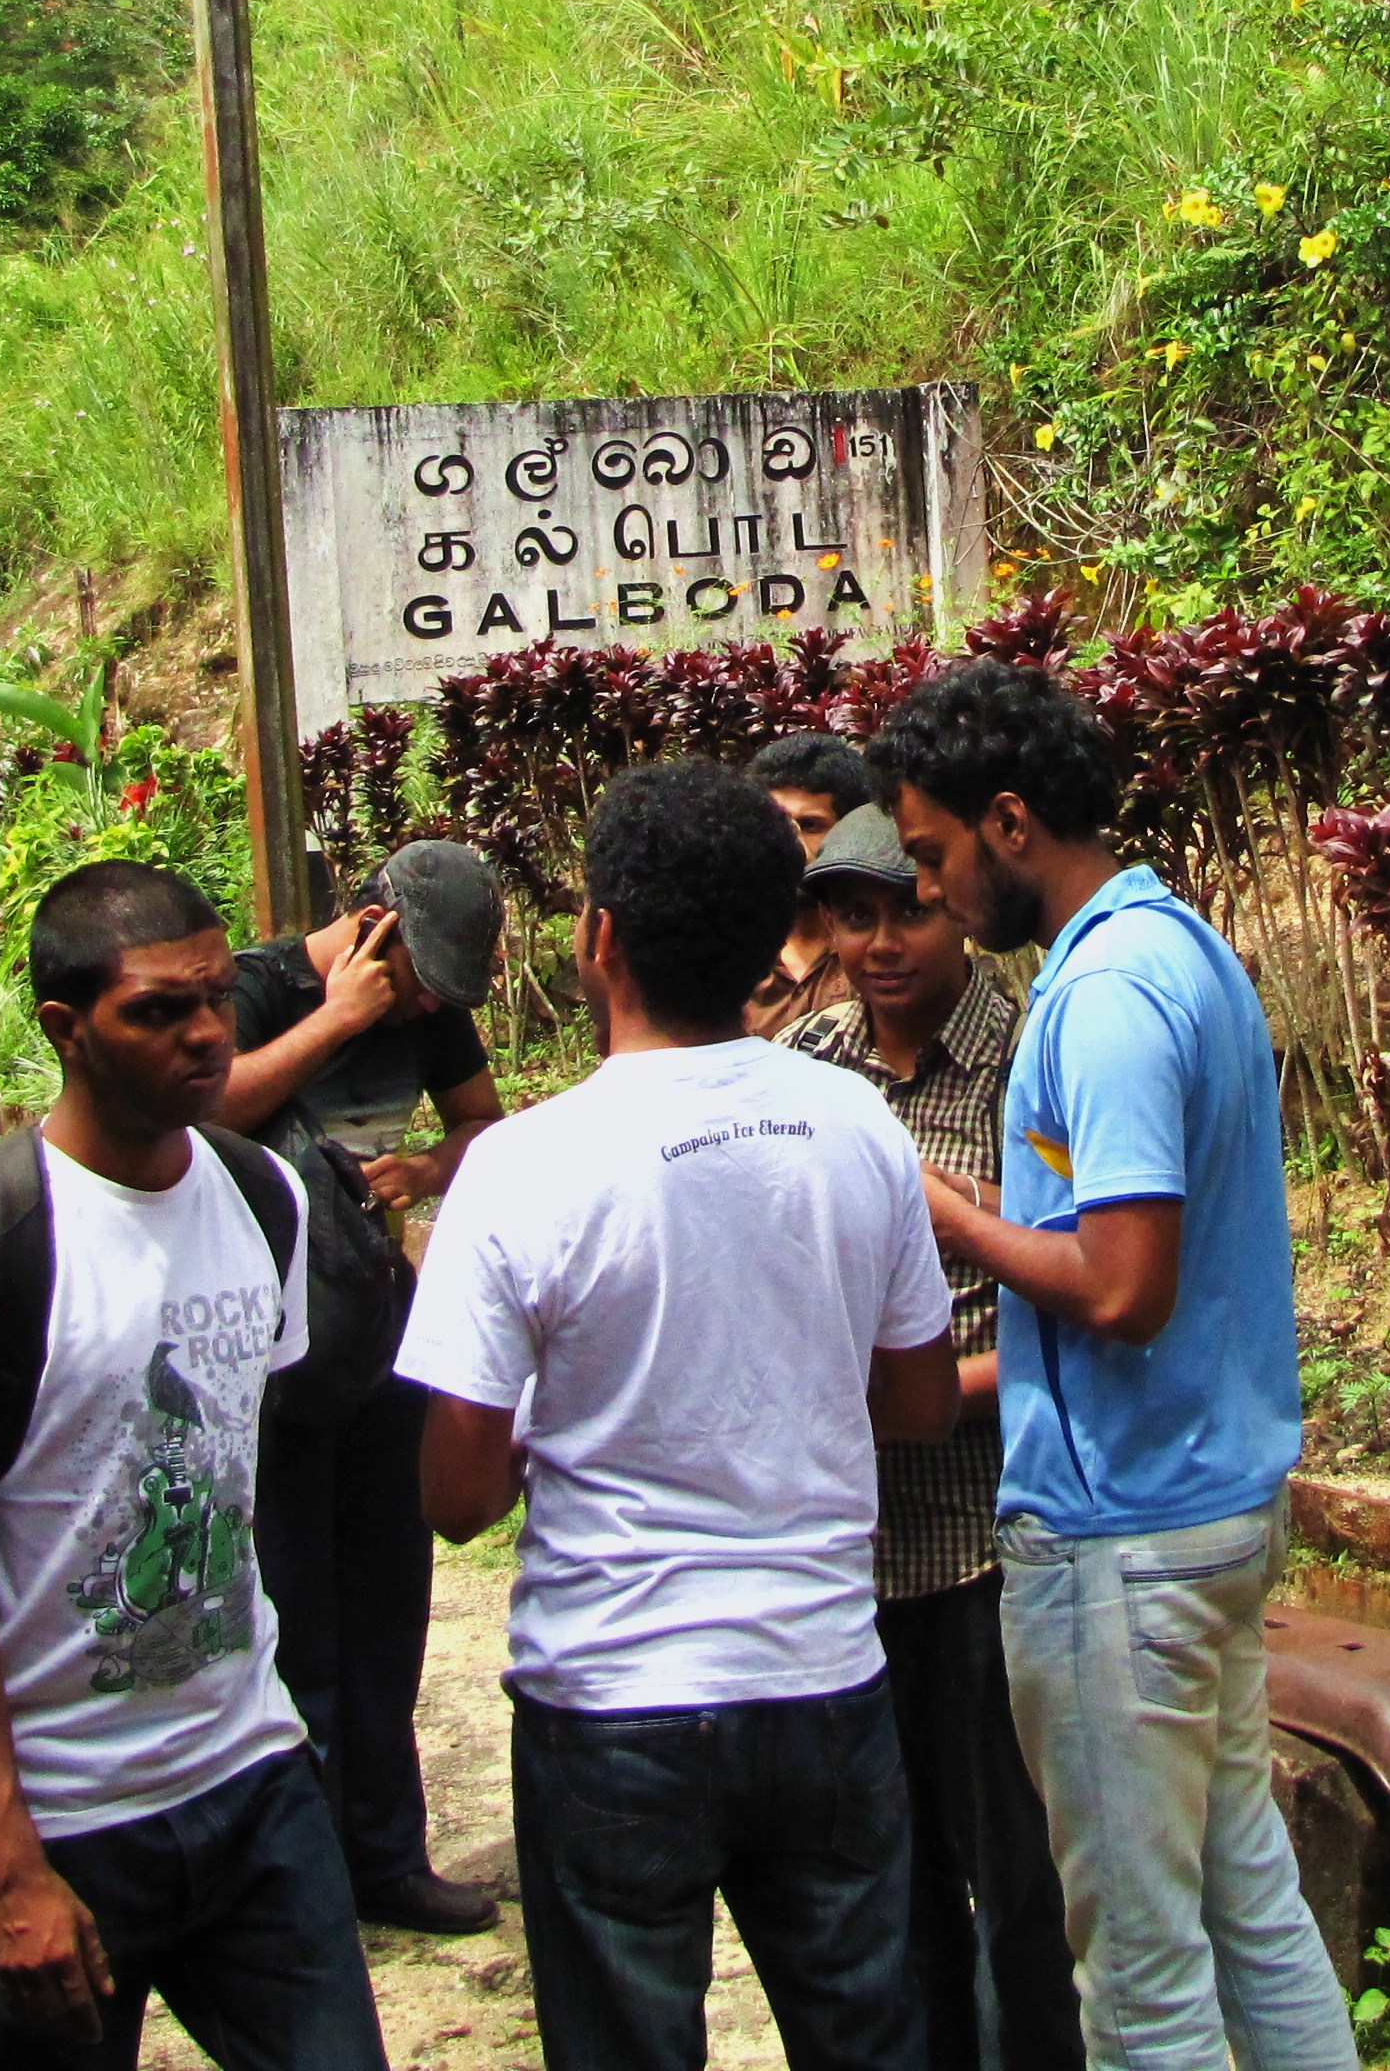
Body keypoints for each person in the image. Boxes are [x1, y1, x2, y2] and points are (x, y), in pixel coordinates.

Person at [397, 761, 960, 2071]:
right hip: (823, 1675)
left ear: (601, 940)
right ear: (776, 936)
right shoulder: (858, 1126)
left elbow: (458, 1500)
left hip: (612, 1698)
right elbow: (922, 1401)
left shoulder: (519, 1169)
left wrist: (559, 1412)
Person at [871, 661, 1356, 2071]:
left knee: (1141, 1975)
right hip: (1207, 1507)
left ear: (1010, 822)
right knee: (1246, 1898)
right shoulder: (1174, 945)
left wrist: (946, 1210)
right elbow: (1115, 1231)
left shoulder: (1105, 998)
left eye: (933, 855)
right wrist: (992, 1208)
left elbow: (1128, 1288)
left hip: (1123, 1535)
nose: (930, 889)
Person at [0, 859, 387, 2071]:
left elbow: (239, 1466)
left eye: (215, 997)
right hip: (57, 1815)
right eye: (158, 1009)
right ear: (67, 1028)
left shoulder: (264, 1197)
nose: (204, 1033)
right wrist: (8, 1866)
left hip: (250, 1779)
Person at [782, 805, 1082, 2071]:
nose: (883, 944)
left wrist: (925, 1397)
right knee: (889, 1897)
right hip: (845, 1565)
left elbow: (1078, 1294)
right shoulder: (803, 1069)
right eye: (855, 918)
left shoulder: (1025, 1059)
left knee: (1019, 1889)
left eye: (907, 911)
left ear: (953, 910)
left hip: (982, 1551)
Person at [215, 840, 508, 1938]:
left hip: (377, 1328)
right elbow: (203, 1113)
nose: (426, 1005)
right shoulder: (256, 988)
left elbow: (481, 1124)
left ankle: (386, 1858)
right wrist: (336, 1021)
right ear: (373, 924)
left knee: (388, 1606)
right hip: (264, 1352)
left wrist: (422, 1171)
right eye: (419, 980)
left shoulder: (432, 1011)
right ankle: (303, 1877)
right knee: (291, 1614)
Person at [746, 731, 877, 1038]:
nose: (791, 844)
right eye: (778, 826)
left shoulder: (878, 951)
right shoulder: (733, 955)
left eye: (811, 826)